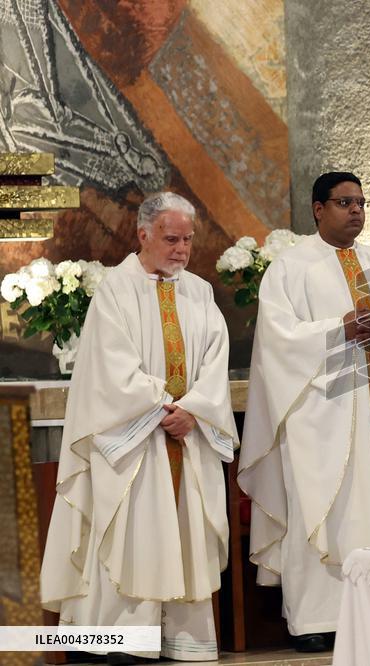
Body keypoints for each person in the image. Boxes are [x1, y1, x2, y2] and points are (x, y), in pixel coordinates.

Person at [40, 192, 238, 665]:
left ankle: (179, 639)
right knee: (130, 533)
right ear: (143, 234)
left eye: (188, 240)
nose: (181, 250)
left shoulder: (200, 291)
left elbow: (216, 360)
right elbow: (111, 366)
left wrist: (197, 409)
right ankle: (118, 639)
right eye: (171, 239)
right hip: (134, 442)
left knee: (183, 532)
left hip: (185, 438)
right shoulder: (115, 289)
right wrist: (163, 406)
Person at [239, 171, 370, 651]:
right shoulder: (290, 266)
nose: (356, 211)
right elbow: (277, 341)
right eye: (345, 202)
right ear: (318, 209)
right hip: (317, 420)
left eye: (362, 203)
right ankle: (315, 620)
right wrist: (337, 328)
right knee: (321, 509)